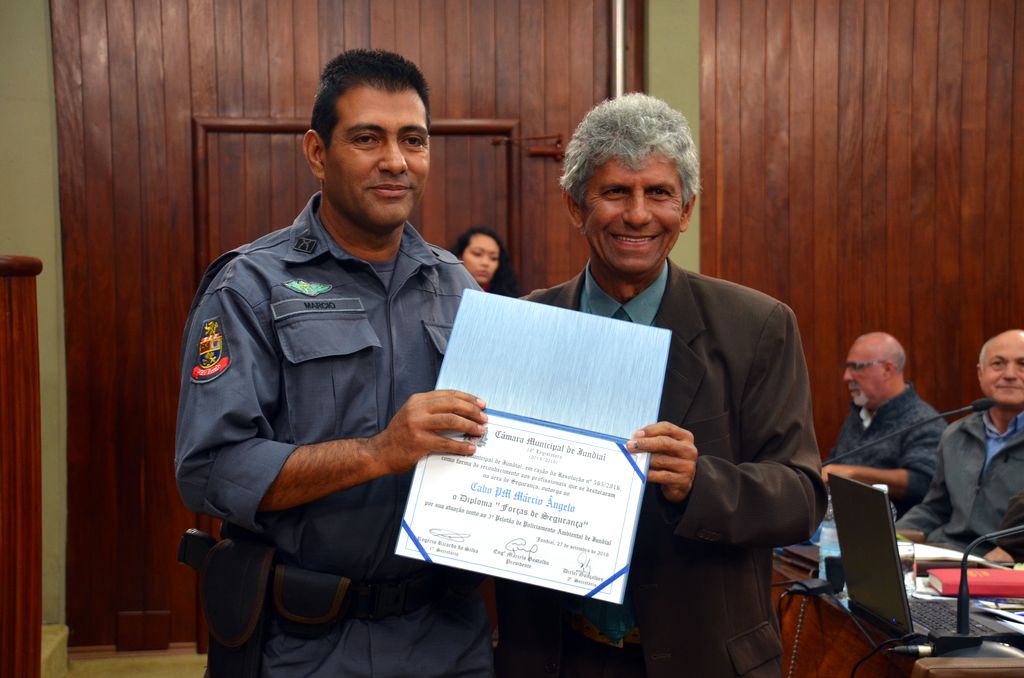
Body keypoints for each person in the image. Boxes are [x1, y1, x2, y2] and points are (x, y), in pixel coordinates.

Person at [175, 49, 493, 677]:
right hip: (306, 644)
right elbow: (209, 469)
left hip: (448, 637)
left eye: (414, 140)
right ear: (318, 153)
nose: (396, 161)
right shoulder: (249, 287)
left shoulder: (461, 289)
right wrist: (378, 451)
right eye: (368, 138)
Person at [493, 93, 826, 678]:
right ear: (576, 207)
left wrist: (701, 481)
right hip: (555, 654)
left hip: (705, 658)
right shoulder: (524, 329)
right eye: (616, 192)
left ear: (687, 209)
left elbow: (801, 497)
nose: (638, 214)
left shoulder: (757, 327)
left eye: (659, 193)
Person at [896, 330, 1024, 552]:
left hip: (1009, 566)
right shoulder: (955, 434)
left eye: (1022, 364)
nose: (1010, 374)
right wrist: (891, 536)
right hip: (950, 555)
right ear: (980, 373)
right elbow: (936, 509)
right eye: (998, 364)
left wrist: (1010, 551)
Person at [821, 332, 943, 517]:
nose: (847, 376)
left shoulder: (924, 421)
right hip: (838, 527)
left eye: (856, 367)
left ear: (887, 369)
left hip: (895, 533)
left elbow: (923, 482)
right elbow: (834, 466)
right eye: (847, 367)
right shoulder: (857, 416)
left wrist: (854, 474)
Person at [451, 226, 521, 297]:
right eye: (477, 254)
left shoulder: (506, 300)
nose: (485, 263)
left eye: (493, 258)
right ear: (459, 256)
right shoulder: (444, 292)